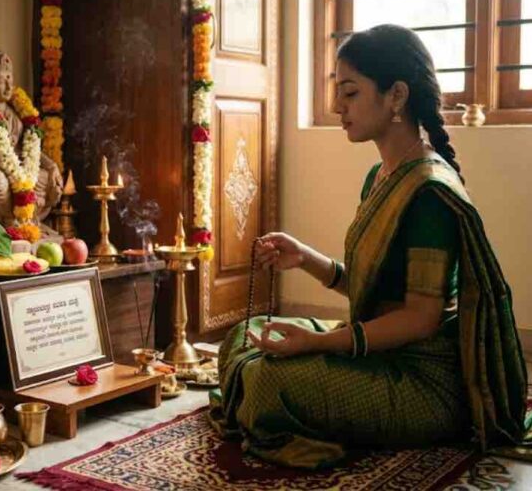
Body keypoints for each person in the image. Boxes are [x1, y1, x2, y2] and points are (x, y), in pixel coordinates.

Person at [210, 24, 529, 469]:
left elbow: (421, 319)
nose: (337, 107)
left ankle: (266, 414)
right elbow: (372, 289)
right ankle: (263, 412)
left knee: (265, 380)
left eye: (350, 93)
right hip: (379, 356)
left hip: (422, 382)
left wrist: (322, 342)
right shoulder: (381, 176)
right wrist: (305, 258)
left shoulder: (428, 193)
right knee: (242, 337)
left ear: (396, 95)